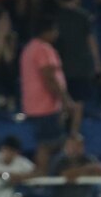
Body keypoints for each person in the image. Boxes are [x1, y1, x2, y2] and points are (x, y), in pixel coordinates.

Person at [21, 17, 76, 173]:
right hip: (44, 106)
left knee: (49, 142)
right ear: (47, 31)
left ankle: (42, 175)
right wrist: (65, 100)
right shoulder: (43, 49)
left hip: (34, 105)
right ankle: (41, 177)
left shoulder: (29, 48)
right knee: (48, 143)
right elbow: (49, 78)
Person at [55, 0, 101, 111]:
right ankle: (74, 130)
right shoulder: (84, 16)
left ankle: (64, 128)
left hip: (61, 65)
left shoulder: (55, 18)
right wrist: (97, 65)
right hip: (82, 66)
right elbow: (91, 41)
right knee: (79, 99)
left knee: (62, 98)